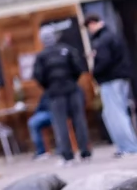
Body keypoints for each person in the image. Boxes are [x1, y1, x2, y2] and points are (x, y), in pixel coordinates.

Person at [33, 25, 91, 166]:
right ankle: (85, 153)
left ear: (42, 40)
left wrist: (50, 86)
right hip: (72, 89)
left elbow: (39, 76)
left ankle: (67, 157)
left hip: (55, 93)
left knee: (60, 125)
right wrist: (71, 81)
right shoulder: (68, 50)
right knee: (79, 121)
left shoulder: (41, 56)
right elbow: (78, 69)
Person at [84, 13, 137, 157]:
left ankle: (129, 147)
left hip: (111, 79)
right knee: (116, 112)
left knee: (115, 114)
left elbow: (104, 60)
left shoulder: (102, 40)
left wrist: (94, 72)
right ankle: (126, 146)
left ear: (93, 24)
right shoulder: (111, 36)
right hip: (119, 78)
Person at [28, 93, 54, 159]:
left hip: (54, 111)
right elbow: (41, 105)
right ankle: (41, 151)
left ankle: (63, 148)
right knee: (32, 122)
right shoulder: (46, 92)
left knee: (33, 122)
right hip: (45, 112)